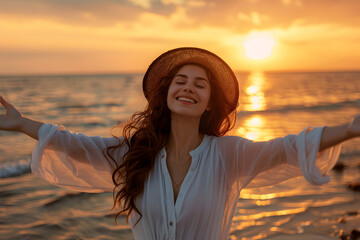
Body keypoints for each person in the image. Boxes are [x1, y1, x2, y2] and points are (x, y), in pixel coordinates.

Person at [0, 47, 359, 240]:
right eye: (180, 81)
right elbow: (72, 144)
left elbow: (289, 146)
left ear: (208, 103)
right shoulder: (132, 153)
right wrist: (21, 124)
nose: (188, 87)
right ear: (167, 93)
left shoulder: (229, 155)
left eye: (200, 84)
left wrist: (351, 128)